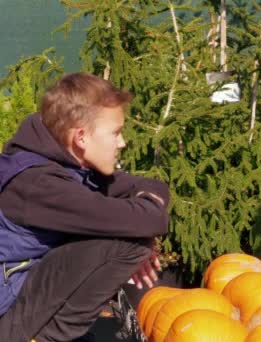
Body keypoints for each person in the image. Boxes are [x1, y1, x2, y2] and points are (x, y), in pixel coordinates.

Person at [0, 72, 170, 341]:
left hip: (21, 293)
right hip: (7, 318)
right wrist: (142, 229)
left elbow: (155, 189)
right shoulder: (39, 185)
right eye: (115, 133)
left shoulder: (68, 166)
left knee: (127, 232)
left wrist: (142, 223)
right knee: (127, 243)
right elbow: (147, 220)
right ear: (81, 137)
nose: (122, 142)